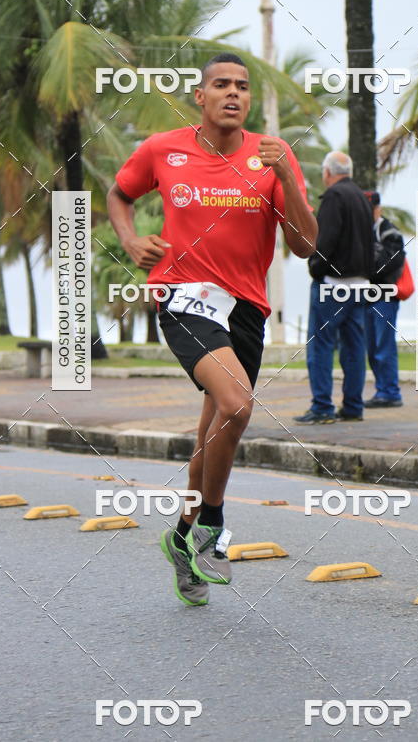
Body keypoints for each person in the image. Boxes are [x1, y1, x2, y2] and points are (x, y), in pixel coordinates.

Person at [107, 53, 317, 606]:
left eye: (242, 87)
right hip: (184, 295)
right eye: (221, 85)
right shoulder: (162, 149)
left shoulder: (272, 155)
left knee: (215, 429)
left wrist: (286, 181)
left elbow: (304, 246)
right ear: (199, 96)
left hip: (246, 307)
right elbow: (119, 194)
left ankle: (181, 539)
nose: (233, 94)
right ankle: (211, 526)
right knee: (238, 404)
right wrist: (130, 239)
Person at [294, 151, 374, 424]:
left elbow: (324, 242)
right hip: (360, 285)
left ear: (327, 172)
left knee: (321, 347)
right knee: (354, 349)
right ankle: (353, 407)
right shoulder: (363, 200)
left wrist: (315, 268)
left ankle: (322, 408)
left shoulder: (333, 197)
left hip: (332, 285)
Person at [363, 191, 405, 408]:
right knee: (372, 347)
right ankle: (383, 389)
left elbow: (392, 261)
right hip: (367, 298)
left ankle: (390, 392)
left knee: (384, 346)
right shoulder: (361, 231)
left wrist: (367, 269)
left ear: (378, 209)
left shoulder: (388, 231)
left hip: (384, 297)